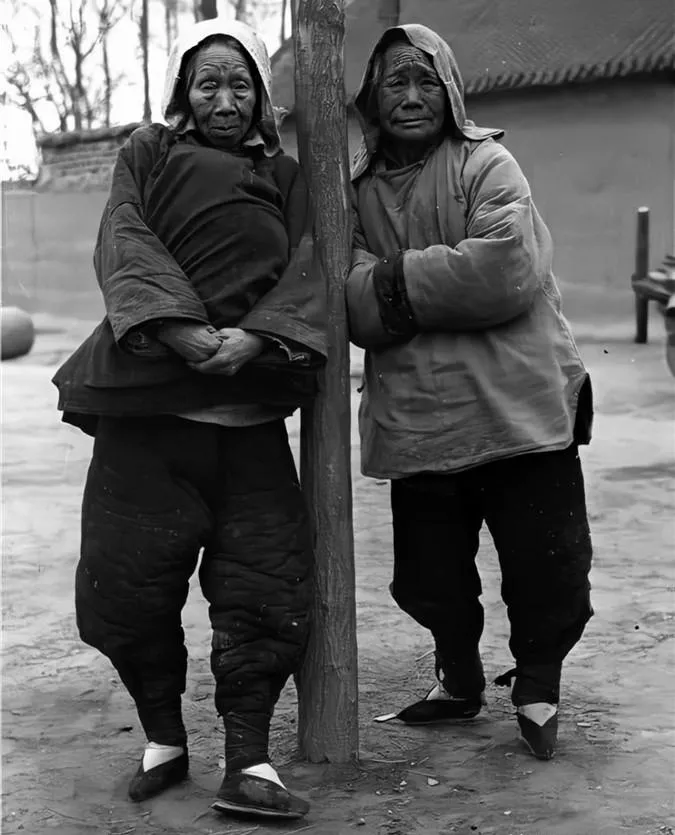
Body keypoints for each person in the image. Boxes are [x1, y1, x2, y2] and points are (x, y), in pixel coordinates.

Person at [52, 19, 326, 820]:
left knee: (268, 590)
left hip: (249, 419)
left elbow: (314, 258)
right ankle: (164, 739)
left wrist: (259, 336)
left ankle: (251, 759)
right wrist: (175, 323)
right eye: (208, 83)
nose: (225, 99)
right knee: (125, 588)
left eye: (240, 84)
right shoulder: (148, 152)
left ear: (261, 98)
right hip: (146, 416)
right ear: (182, 91)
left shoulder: (285, 172)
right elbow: (123, 238)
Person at [346, 24, 594, 761]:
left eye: (426, 81)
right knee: (427, 575)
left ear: (450, 90)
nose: (413, 96)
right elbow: (345, 300)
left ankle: (538, 682)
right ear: (372, 98)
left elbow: (504, 269)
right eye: (396, 82)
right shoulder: (354, 194)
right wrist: (420, 284)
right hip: (420, 418)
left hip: (519, 407)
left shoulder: (488, 163)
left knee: (546, 563)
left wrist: (390, 282)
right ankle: (457, 676)